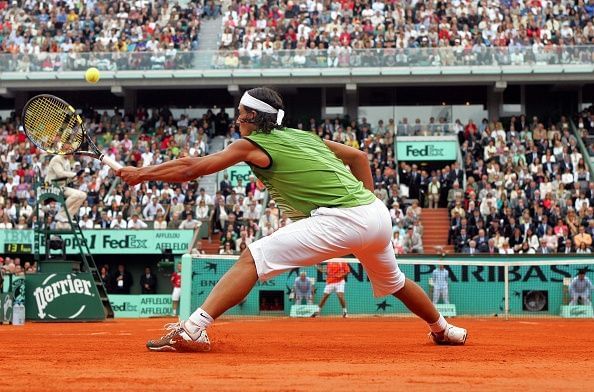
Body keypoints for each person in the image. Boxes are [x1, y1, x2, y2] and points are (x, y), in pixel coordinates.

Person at [118, 87, 467, 352]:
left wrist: (142, 173)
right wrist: (369, 200)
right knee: (395, 282)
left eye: (241, 114)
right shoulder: (304, 136)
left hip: (342, 218)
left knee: (252, 258)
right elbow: (359, 157)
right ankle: (444, 329)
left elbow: (192, 168)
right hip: (376, 215)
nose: (237, 119)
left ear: (254, 119)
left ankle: (193, 328)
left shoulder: (248, 144)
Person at [46, 155, 87, 227]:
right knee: (76, 195)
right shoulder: (57, 159)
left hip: (60, 187)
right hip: (49, 186)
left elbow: (67, 179)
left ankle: (67, 216)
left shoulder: (67, 161)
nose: (72, 154)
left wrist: (77, 178)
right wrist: (75, 174)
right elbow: (60, 174)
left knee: (83, 195)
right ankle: (61, 214)